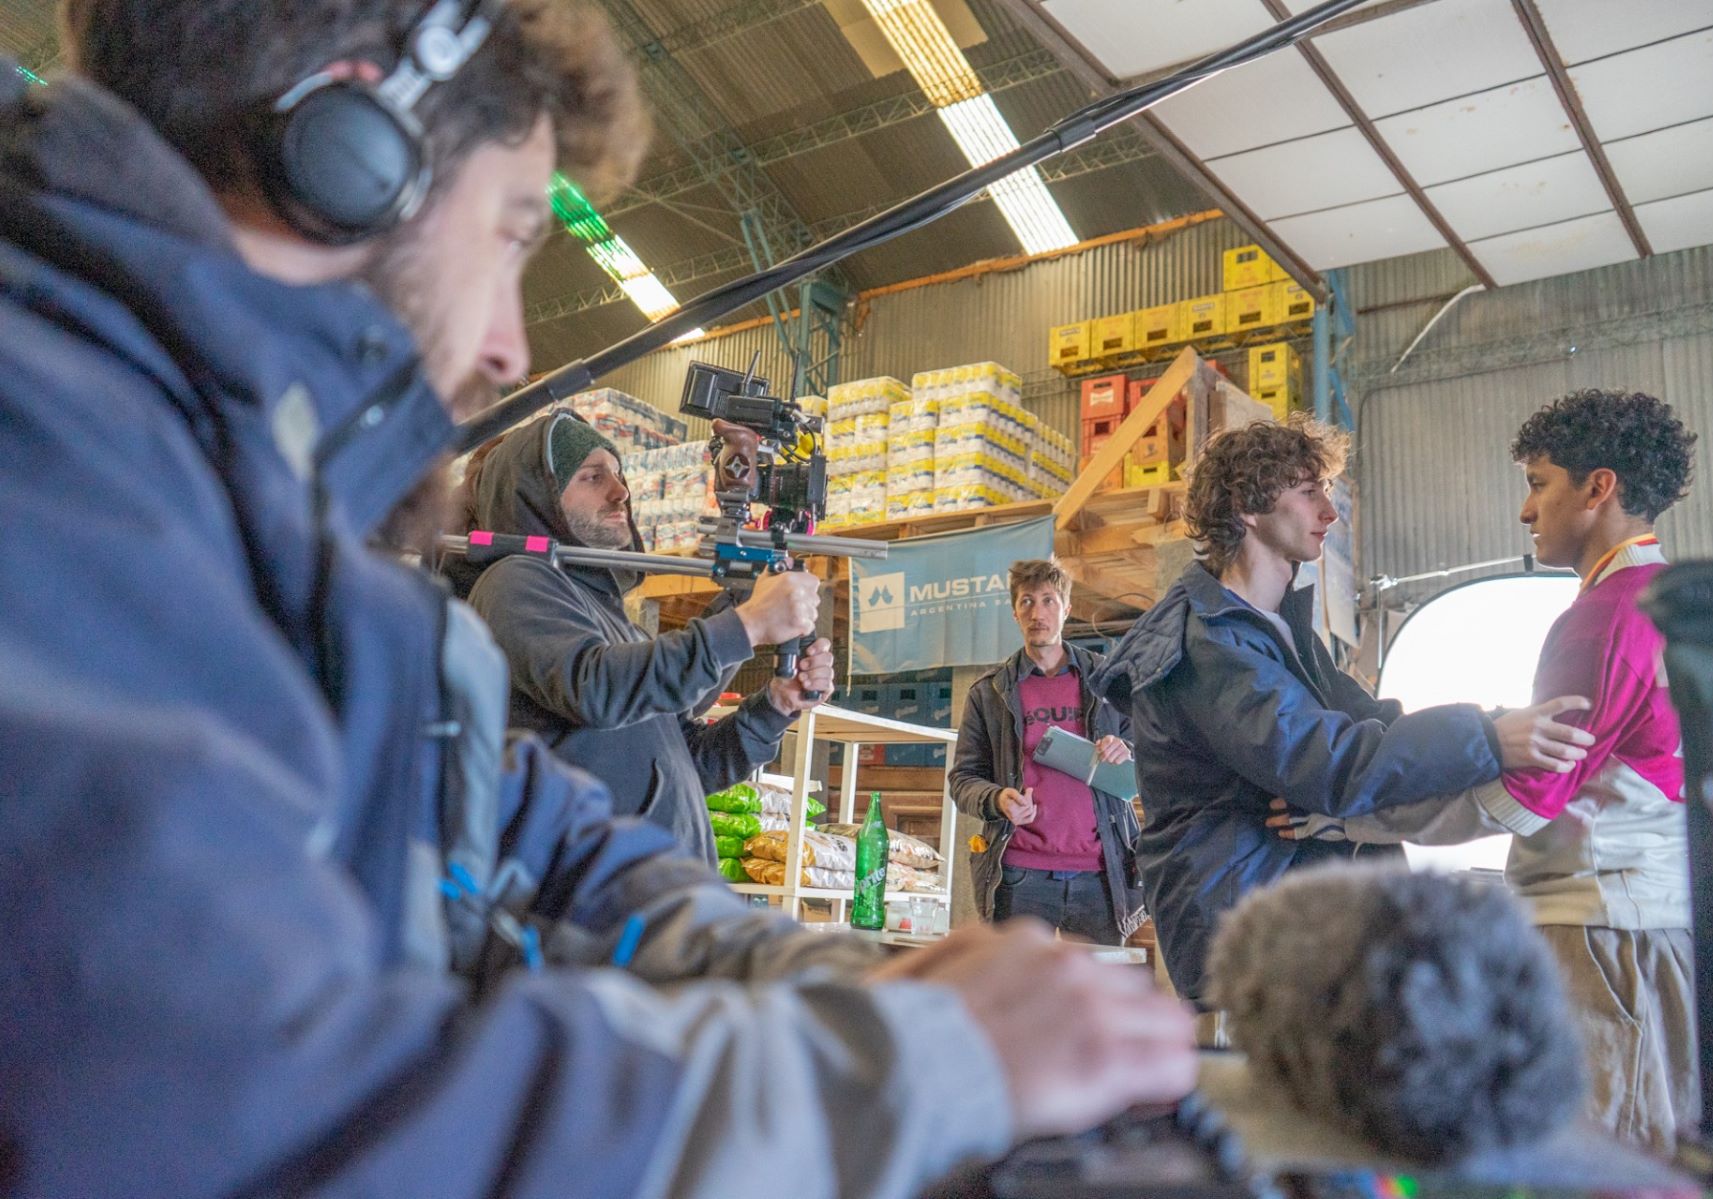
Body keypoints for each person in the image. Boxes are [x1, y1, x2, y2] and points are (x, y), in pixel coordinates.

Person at [0, 3, 1200, 1196]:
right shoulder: (54, 470)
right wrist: (902, 1063)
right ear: (349, 152)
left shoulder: (260, 515)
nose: (513, 346)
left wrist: (806, 974)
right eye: (515, 233)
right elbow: (242, 1104)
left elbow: (506, 816)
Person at [1270, 389, 1698, 1153]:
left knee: (1597, 1149)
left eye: (1539, 483)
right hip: (1644, 919)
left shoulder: (1600, 616)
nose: (1526, 512)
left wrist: (1347, 814)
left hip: (1600, 928)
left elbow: (1518, 799)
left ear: (1598, 488)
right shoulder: (1669, 601)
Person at [1091, 417, 1595, 1005]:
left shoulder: (1271, 628)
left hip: (1291, 914)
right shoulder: (1210, 646)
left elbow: (1373, 725)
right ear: (1247, 508)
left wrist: (1501, 721)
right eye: (1309, 493)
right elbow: (1329, 764)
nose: (1329, 513)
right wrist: (1486, 737)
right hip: (1241, 932)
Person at [454, 407, 833, 861]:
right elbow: (596, 689)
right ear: (537, 497)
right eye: (592, 478)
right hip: (579, 905)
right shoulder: (515, 582)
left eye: (617, 475)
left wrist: (775, 707)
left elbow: (687, 763)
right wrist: (747, 624)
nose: (621, 493)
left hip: (651, 900)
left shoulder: (610, 617)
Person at [950, 557, 1145, 944]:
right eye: (1026, 602)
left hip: (1101, 873)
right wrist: (997, 798)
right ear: (1014, 612)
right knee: (1016, 999)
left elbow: (1158, 754)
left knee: (1092, 1001)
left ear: (1067, 609)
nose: (1037, 612)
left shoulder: (1108, 681)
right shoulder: (989, 692)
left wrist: (1127, 749)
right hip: (1020, 874)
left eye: (1048, 600)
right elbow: (962, 780)